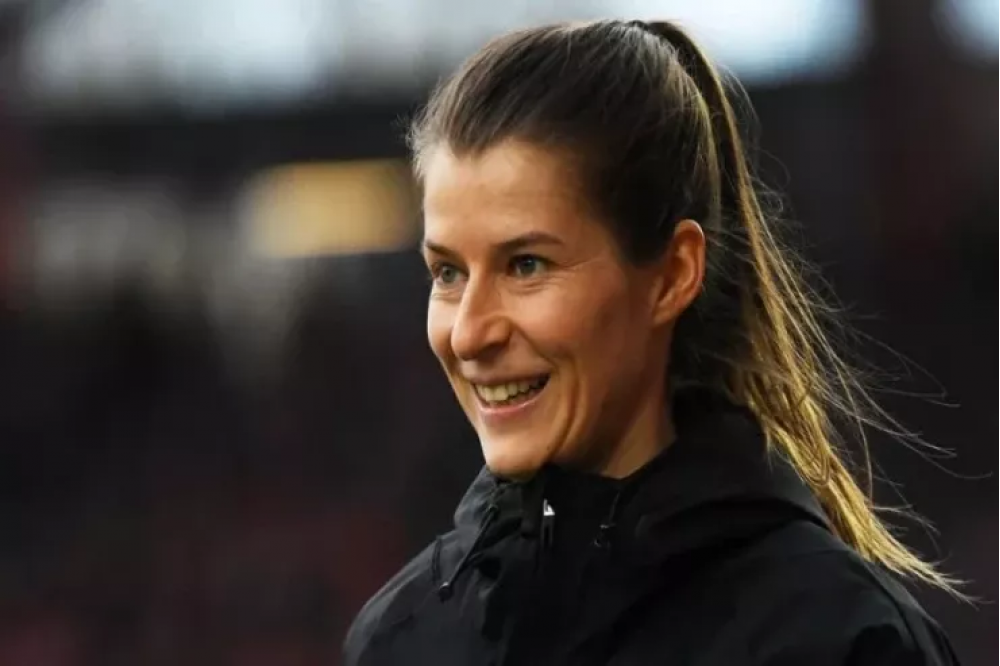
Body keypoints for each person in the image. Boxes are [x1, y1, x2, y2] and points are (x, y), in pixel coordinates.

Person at [343, 19, 962, 666]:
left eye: (526, 265)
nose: (470, 333)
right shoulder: (399, 638)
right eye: (448, 273)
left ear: (672, 274)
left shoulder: (841, 638)